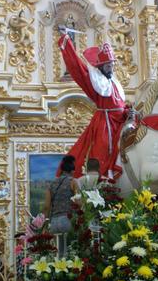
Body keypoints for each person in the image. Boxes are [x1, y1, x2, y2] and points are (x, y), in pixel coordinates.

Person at [57, 27, 128, 180]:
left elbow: (121, 105)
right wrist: (66, 39)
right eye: (108, 65)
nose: (112, 68)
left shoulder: (114, 82)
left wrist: (129, 111)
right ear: (101, 67)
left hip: (121, 121)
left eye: (112, 65)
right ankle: (102, 181)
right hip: (106, 125)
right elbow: (77, 66)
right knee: (101, 153)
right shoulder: (95, 82)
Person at [44, 155, 77, 255]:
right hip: (67, 219)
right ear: (71, 171)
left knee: (59, 253)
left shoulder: (52, 183)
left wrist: (46, 223)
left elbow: (46, 206)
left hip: (54, 222)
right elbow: (78, 201)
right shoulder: (72, 182)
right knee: (70, 252)